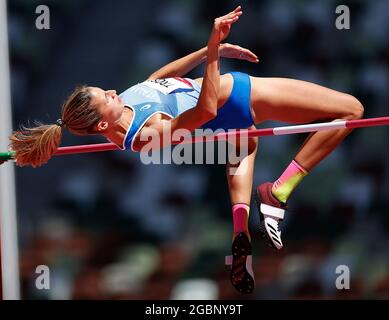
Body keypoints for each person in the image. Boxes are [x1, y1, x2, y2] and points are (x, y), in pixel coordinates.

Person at [7, 6, 364, 294]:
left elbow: (156, 81)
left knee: (245, 142)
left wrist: (207, 52)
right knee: (351, 110)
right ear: (102, 125)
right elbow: (205, 110)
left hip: (226, 118)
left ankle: (241, 227)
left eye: (106, 90)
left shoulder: (123, 113)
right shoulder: (146, 135)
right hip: (233, 95)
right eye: (107, 98)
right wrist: (212, 50)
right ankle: (278, 191)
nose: (113, 92)